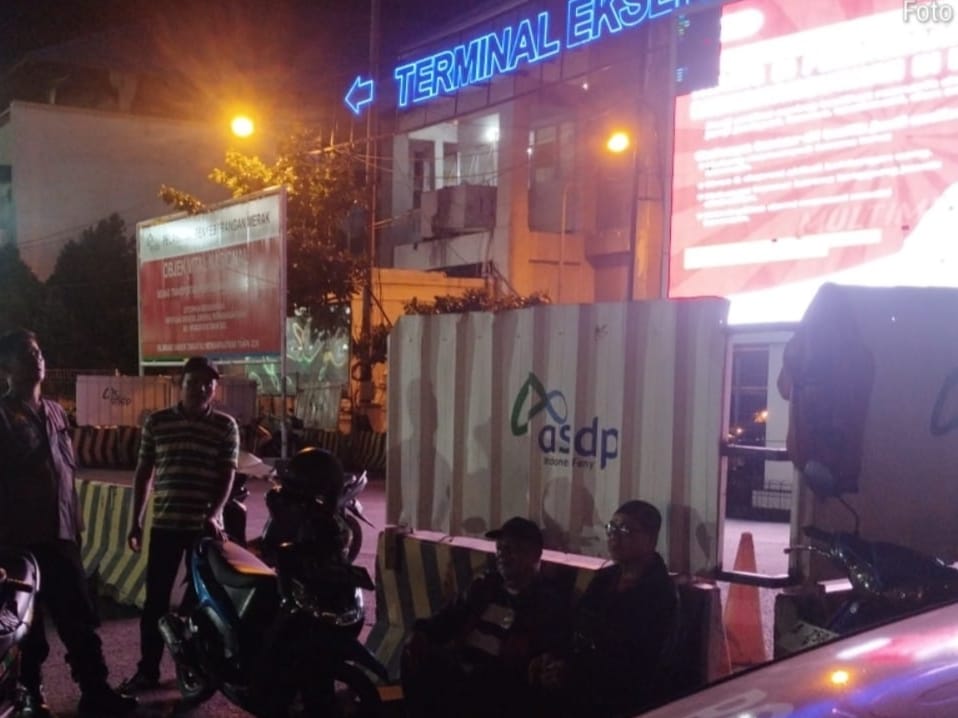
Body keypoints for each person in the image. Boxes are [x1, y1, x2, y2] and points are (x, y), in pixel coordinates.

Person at [0, 329, 137, 718]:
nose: (37, 359)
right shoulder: (2, 416)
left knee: (79, 619)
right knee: (28, 626)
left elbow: (66, 473)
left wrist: (75, 527)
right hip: (19, 541)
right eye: (26, 354)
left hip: (61, 536)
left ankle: (96, 691)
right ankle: (31, 695)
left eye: (39, 352)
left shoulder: (57, 412)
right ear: (6, 366)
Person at [119, 356, 239, 693]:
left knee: (202, 602)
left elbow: (227, 475)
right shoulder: (156, 423)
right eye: (193, 382)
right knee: (155, 602)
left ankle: (199, 669)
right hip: (166, 525)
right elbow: (144, 472)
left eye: (208, 383)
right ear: (180, 384)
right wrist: (136, 521)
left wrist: (214, 514)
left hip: (204, 529)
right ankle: (148, 670)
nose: (201, 388)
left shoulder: (226, 426)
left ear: (214, 388)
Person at [400, 517, 568, 718]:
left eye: (511, 549)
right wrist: (420, 631)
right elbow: (447, 617)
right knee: (415, 653)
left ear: (533, 555)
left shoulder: (546, 603)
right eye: (499, 549)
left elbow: (548, 657)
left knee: (475, 681)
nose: (502, 555)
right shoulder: (485, 586)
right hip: (462, 668)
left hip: (501, 685)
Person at [532, 500, 678, 718]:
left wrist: (573, 673)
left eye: (625, 530)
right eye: (611, 528)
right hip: (581, 676)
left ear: (651, 539)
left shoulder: (659, 592)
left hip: (621, 694)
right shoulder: (606, 577)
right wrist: (554, 656)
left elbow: (633, 662)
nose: (614, 537)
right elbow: (578, 622)